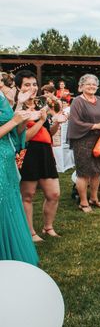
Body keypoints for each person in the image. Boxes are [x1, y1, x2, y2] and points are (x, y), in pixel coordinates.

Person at [0, 71, 39, 265]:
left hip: (6, 159)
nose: (2, 83)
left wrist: (20, 108)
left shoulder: (1, 97)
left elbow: (15, 133)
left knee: (10, 206)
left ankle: (12, 258)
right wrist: (15, 119)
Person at [67, 74, 100, 213]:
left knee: (97, 171)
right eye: (88, 84)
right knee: (83, 173)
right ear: (81, 86)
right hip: (82, 140)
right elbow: (75, 123)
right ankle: (83, 202)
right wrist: (97, 125)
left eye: (94, 84)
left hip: (99, 141)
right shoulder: (77, 101)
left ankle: (94, 198)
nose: (92, 86)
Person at [20, 82, 62, 241]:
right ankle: (30, 232)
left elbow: (48, 133)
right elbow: (25, 137)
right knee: (28, 194)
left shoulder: (40, 104)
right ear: (19, 88)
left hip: (45, 151)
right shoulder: (18, 109)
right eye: (27, 85)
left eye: (34, 84)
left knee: (54, 193)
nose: (32, 88)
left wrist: (56, 122)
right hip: (28, 152)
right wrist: (39, 120)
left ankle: (48, 227)